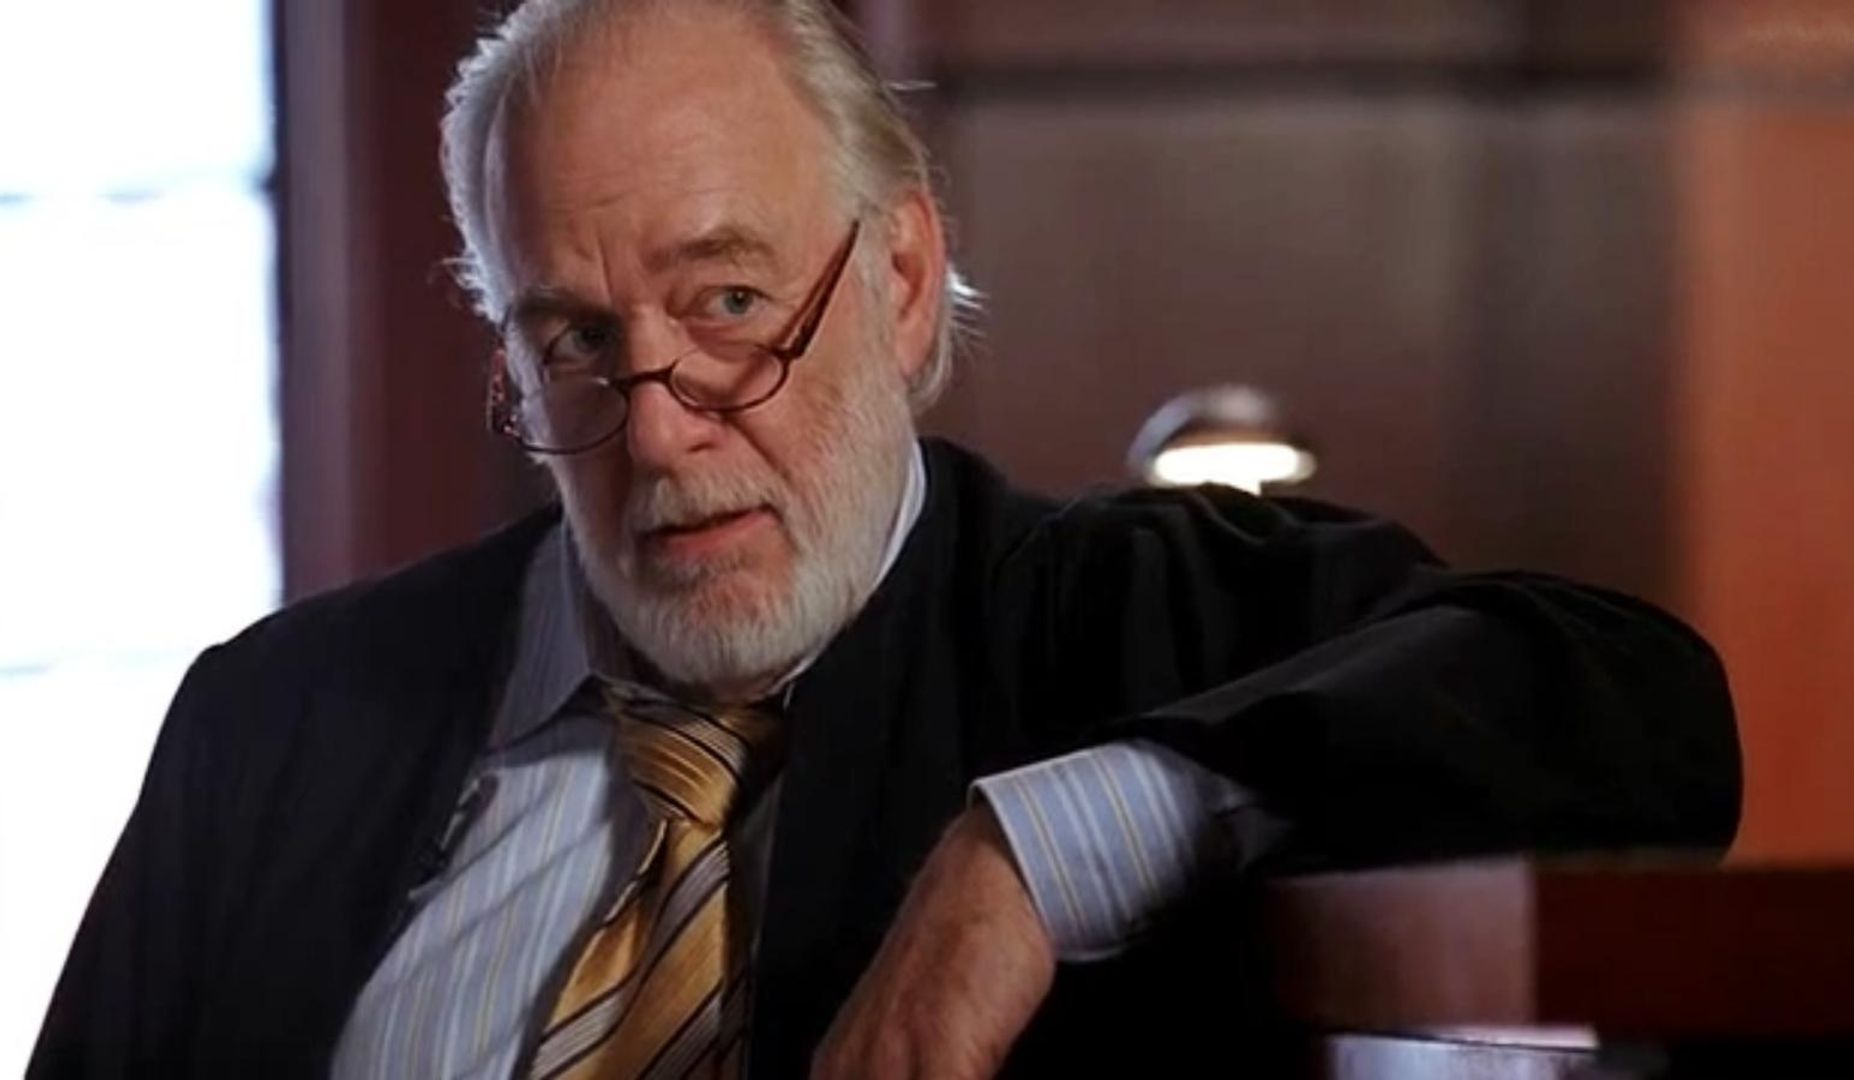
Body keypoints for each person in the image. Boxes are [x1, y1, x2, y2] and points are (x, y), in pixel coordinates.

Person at [30, 0, 1741, 1077]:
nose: (660, 430)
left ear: (905, 282)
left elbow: (1640, 704)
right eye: (575, 344)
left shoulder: (1124, 614)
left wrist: (1036, 858)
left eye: (731, 305)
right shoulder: (276, 725)